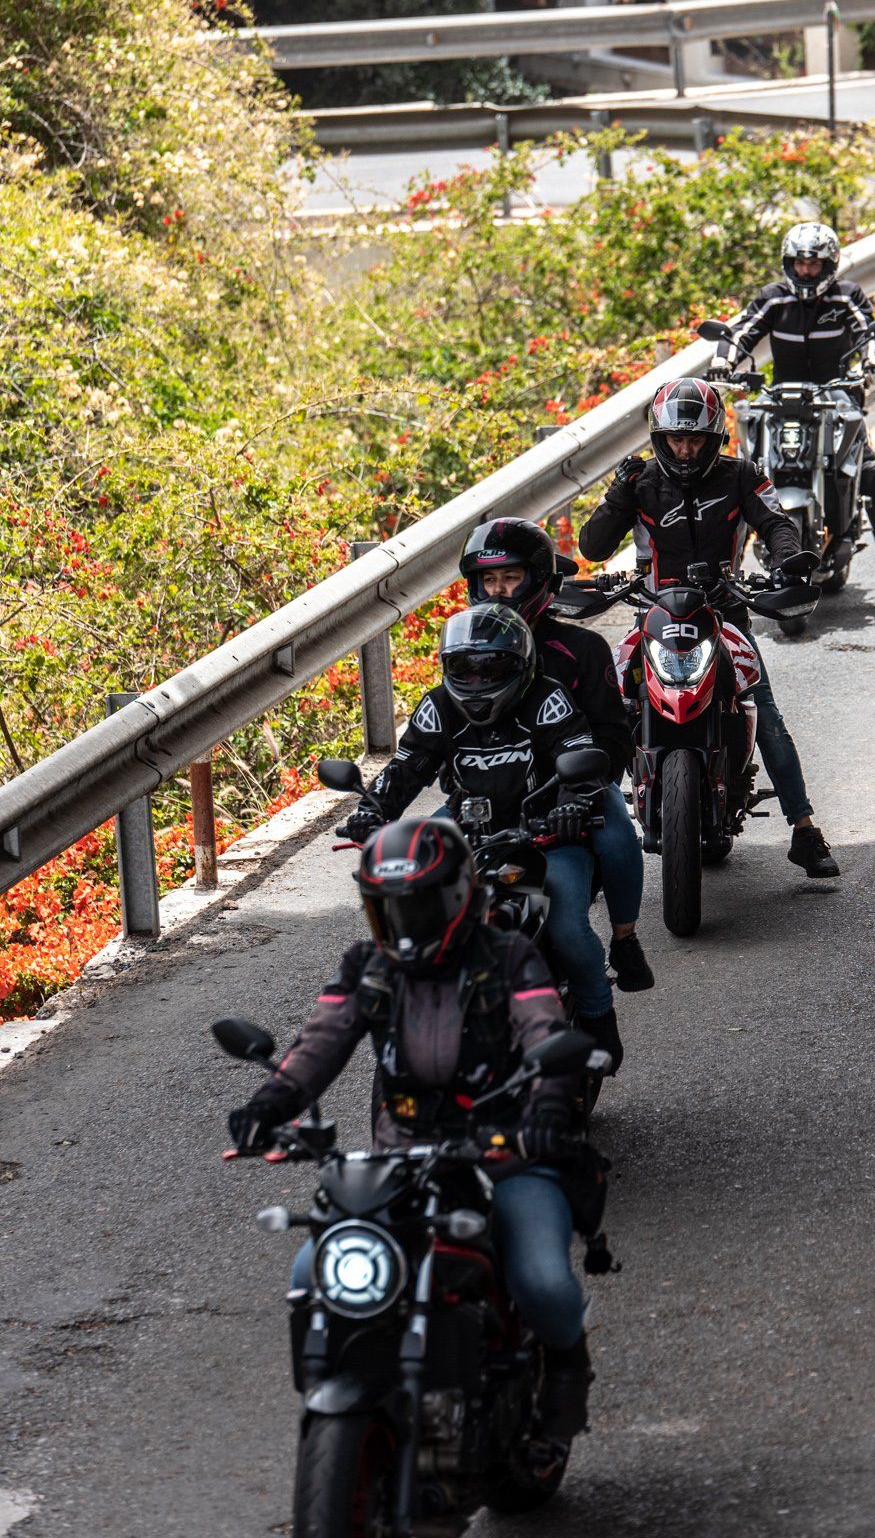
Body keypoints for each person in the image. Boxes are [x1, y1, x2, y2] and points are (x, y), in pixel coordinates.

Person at [227, 817, 598, 1452]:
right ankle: (357, 1393)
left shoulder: (509, 955)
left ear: (456, 898)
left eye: (417, 906)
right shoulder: (367, 965)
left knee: (544, 1281)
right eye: (387, 910)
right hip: (403, 1156)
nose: (402, 924)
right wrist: (273, 1099)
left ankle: (566, 1369)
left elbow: (542, 1027)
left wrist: (547, 1111)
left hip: (505, 1153)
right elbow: (322, 1040)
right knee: (314, 1271)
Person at [336, 603, 627, 1067]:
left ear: (522, 666)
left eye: (492, 666)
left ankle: (597, 1017)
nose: (475, 681)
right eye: (463, 668)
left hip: (548, 833)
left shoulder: (547, 698)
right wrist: (371, 812)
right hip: (465, 830)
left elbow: (579, 752)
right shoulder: (436, 706)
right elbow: (408, 766)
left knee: (569, 927)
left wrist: (574, 803)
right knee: (411, 904)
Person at [578, 378, 839, 880]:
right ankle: (588, 825)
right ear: (659, 437)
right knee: (608, 707)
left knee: (765, 712)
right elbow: (591, 548)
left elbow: (778, 522)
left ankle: (804, 828)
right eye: (676, 438)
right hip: (653, 614)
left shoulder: (741, 475)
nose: (685, 448)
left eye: (695, 439)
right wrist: (616, 495)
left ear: (715, 437)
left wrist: (789, 559)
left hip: (725, 613)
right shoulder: (639, 482)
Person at [459, 518, 654, 996]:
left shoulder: (581, 648)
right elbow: (444, 731)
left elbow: (613, 735)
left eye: (511, 579)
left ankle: (625, 939)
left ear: (539, 580)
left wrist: (581, 789)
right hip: (489, 792)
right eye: (490, 580)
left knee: (618, 837)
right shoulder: (465, 648)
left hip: (574, 786)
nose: (499, 592)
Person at [710, 223, 875, 604]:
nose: (806, 271)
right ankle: (723, 581)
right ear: (788, 263)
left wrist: (873, 361)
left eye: (814, 264)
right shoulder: (774, 299)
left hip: (836, 398)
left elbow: (869, 332)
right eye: (799, 263)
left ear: (829, 264)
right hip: (780, 399)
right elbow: (743, 332)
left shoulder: (845, 296)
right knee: (740, 478)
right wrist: (724, 360)